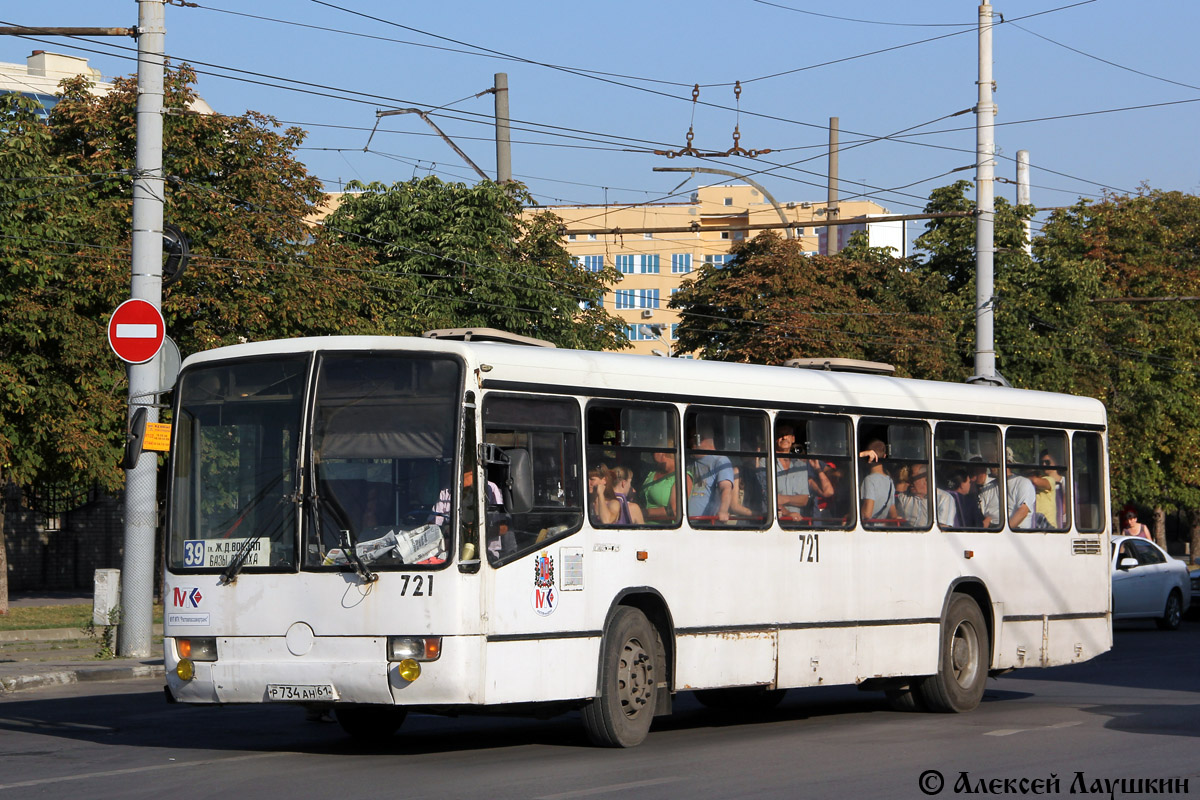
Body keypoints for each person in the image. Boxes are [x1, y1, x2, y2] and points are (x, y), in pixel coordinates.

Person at [687, 429, 735, 524]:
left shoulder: (720, 461)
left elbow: (726, 488)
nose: (690, 441)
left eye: (694, 438)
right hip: (685, 522)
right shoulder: (688, 462)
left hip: (706, 524)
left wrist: (723, 510)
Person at [775, 425, 810, 521]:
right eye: (780, 435)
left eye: (787, 434)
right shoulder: (766, 462)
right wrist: (788, 513)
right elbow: (767, 498)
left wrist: (784, 499)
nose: (784, 438)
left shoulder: (800, 465)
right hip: (776, 519)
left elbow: (804, 500)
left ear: (793, 439)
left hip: (797, 521)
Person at [859, 439, 899, 524]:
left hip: (868, 529)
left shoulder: (869, 480)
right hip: (881, 529)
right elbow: (893, 515)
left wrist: (851, 516)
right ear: (884, 456)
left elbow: (867, 514)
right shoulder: (890, 481)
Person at [641, 450, 679, 524]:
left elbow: (675, 510)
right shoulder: (652, 473)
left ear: (662, 452)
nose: (651, 455)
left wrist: (645, 512)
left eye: (653, 451)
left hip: (663, 530)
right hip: (642, 526)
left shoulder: (681, 476)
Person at [1031, 450, 1066, 528]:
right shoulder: (1042, 480)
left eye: (1047, 462)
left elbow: (1064, 506)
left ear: (1056, 463)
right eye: (1042, 462)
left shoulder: (1065, 482)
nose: (1044, 464)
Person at [1005, 448, 1036, 530]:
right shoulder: (990, 484)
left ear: (1008, 463)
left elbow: (1022, 512)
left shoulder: (1023, 483)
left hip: (1017, 534)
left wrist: (1003, 532)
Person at [970, 457, 1000, 528]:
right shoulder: (970, 486)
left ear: (984, 470)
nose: (972, 478)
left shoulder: (995, 485)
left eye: (975, 473)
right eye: (971, 474)